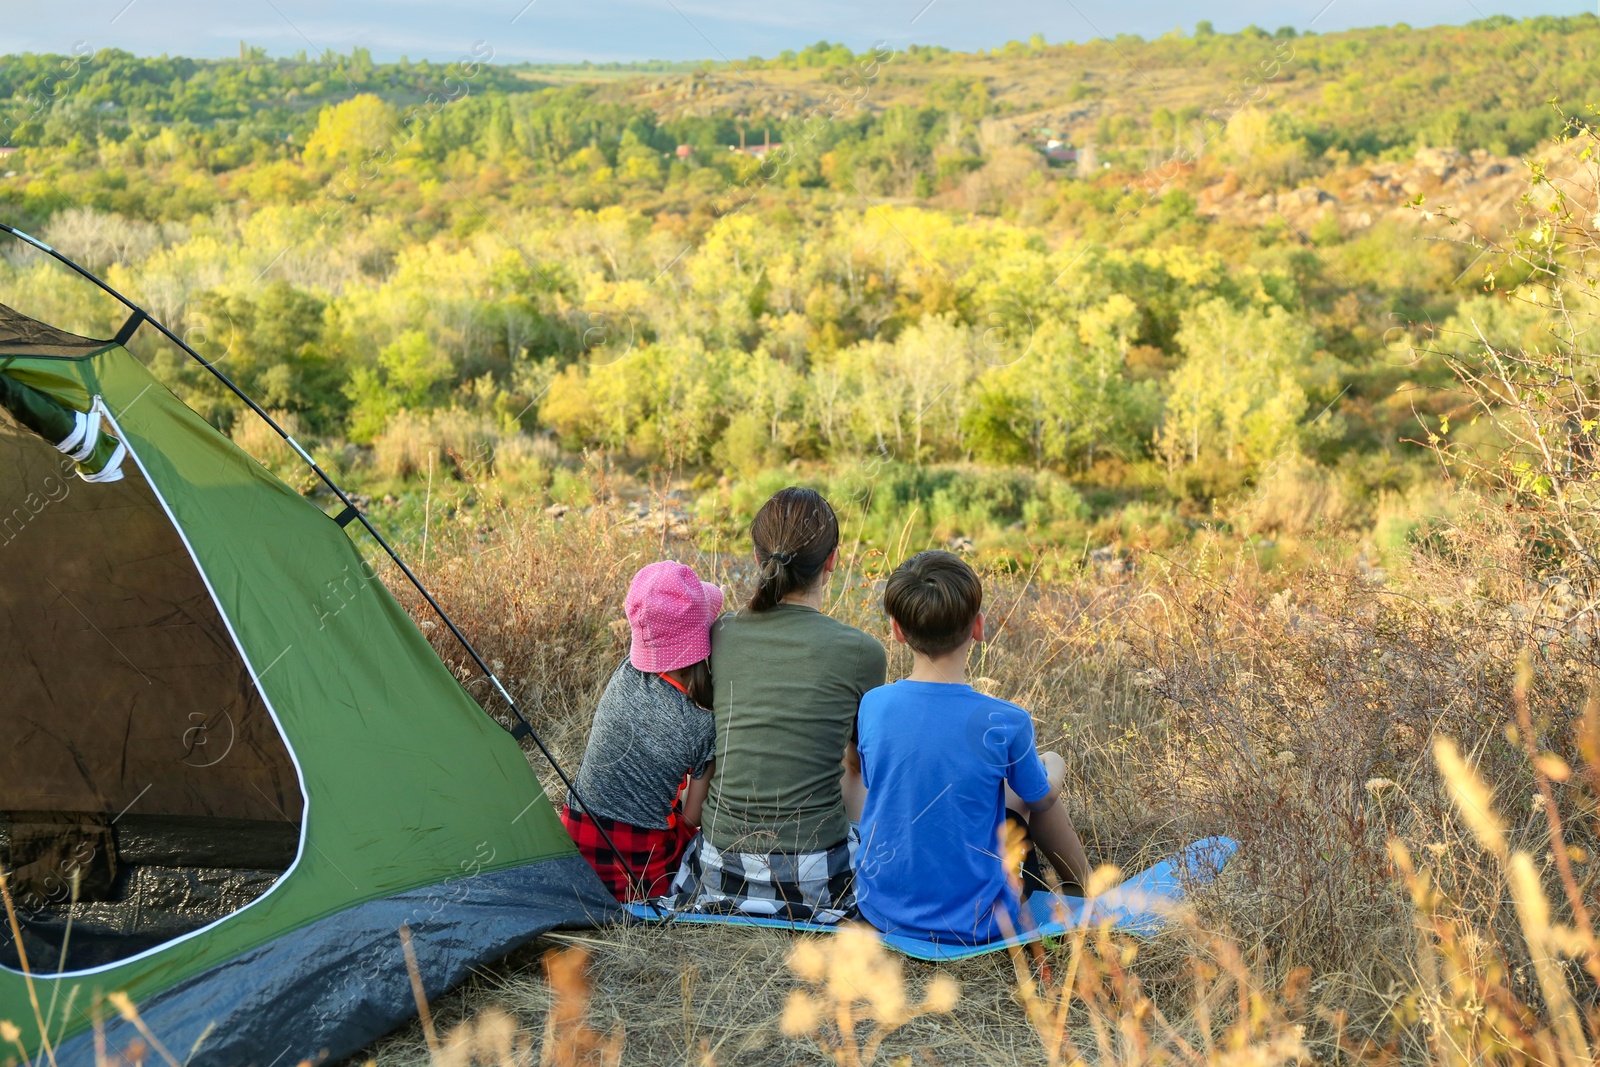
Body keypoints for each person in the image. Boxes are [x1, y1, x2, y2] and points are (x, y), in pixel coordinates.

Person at [663, 487, 886, 922]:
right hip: (817, 875)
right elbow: (859, 765)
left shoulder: (722, 632)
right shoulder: (862, 651)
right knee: (851, 761)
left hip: (717, 867)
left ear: (756, 557)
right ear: (833, 562)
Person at [854, 549, 1091, 944]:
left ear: (896, 630)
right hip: (978, 921)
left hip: (881, 910)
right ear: (978, 627)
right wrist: (1056, 764)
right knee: (1036, 784)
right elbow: (1043, 800)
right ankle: (1084, 886)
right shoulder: (1007, 720)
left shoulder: (873, 704)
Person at [561, 560, 723, 901]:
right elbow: (693, 817)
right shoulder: (703, 723)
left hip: (574, 840)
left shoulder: (625, 673)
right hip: (637, 864)